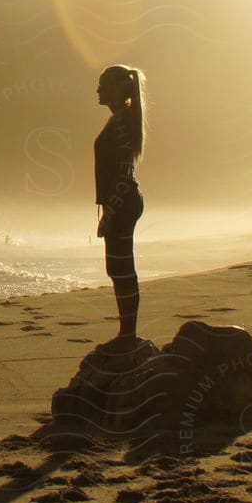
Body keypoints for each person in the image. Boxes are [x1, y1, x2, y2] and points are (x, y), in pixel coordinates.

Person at [93, 64, 146, 340]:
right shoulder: (120, 119)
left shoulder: (123, 121)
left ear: (117, 89)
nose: (98, 91)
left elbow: (124, 172)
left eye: (103, 86)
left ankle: (128, 333)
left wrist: (110, 210)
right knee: (117, 267)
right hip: (123, 202)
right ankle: (127, 331)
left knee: (122, 268)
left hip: (123, 203)